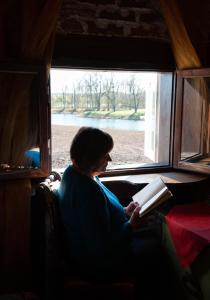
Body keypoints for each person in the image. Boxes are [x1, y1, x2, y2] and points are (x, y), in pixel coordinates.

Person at [57, 127, 176, 300]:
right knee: (155, 248)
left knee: (152, 237)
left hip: (97, 252)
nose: (109, 158)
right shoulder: (86, 191)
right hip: (97, 265)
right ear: (90, 157)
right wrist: (131, 226)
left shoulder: (78, 173)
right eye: (105, 154)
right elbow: (99, 247)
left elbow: (100, 214)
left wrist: (125, 210)